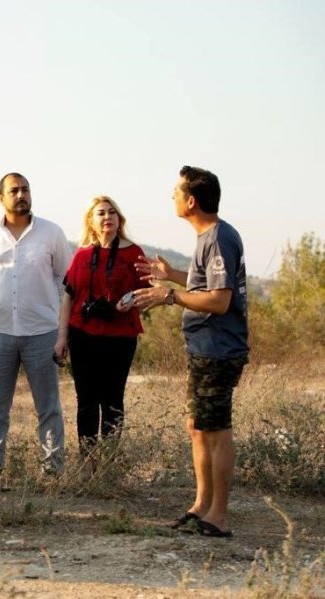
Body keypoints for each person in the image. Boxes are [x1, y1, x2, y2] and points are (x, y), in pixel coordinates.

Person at [133, 165, 249, 538]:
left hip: (218, 349)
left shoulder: (218, 238)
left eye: (176, 192)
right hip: (204, 348)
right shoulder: (208, 237)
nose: (173, 197)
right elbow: (207, 285)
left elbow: (218, 300)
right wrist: (174, 276)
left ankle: (218, 517)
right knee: (198, 427)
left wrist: (169, 295)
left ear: (192, 201)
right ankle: (202, 506)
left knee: (215, 430)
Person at [0, 173, 72, 477]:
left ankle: (52, 469)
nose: (21, 195)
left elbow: (65, 279)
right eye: (14, 190)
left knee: (48, 405)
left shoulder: (51, 232)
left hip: (42, 331)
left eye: (25, 189)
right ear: (1, 197)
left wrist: (55, 314)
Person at [53, 196, 150, 461]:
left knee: (112, 399)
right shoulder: (82, 254)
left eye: (112, 212)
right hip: (82, 336)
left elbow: (147, 292)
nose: (107, 217)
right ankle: (87, 462)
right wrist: (62, 337)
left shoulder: (133, 252)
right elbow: (68, 295)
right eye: (101, 213)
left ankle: (108, 463)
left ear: (119, 219)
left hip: (120, 337)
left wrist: (128, 302)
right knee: (86, 400)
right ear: (91, 221)